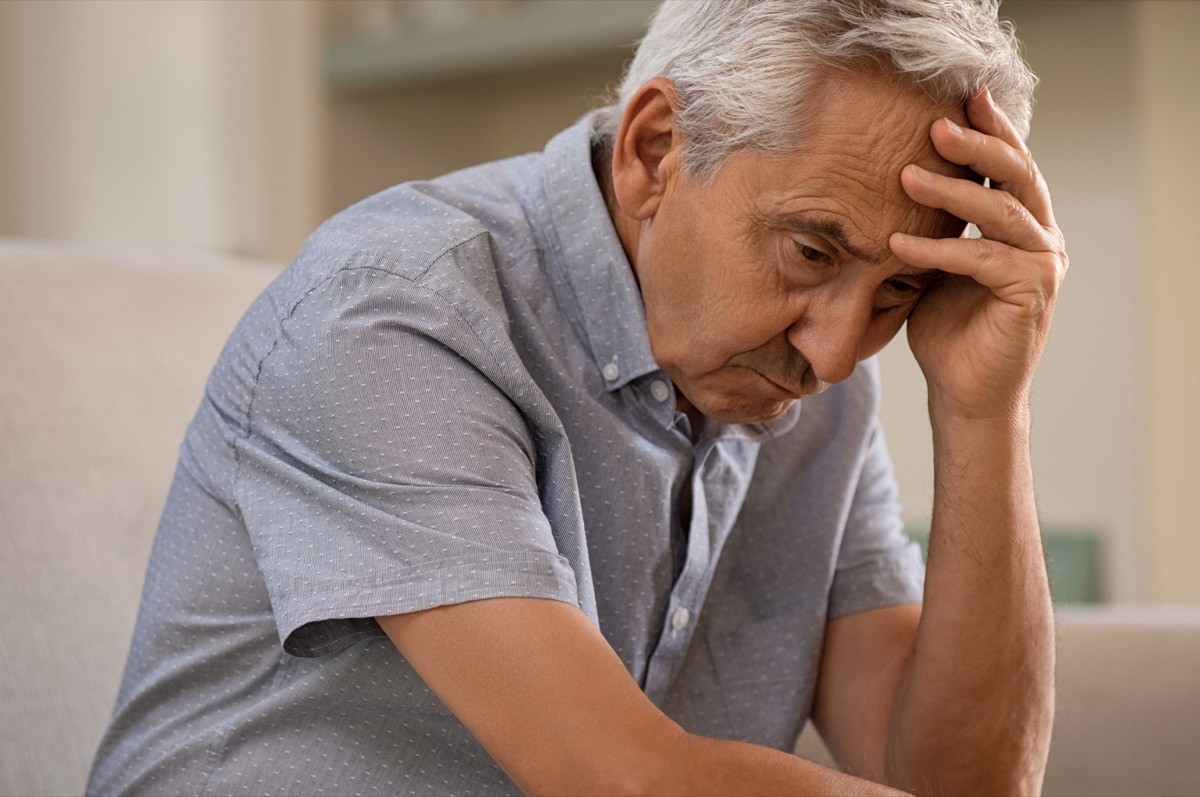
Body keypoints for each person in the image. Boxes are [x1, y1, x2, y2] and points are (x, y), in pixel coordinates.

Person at [88, 1, 1066, 794]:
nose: (840, 350)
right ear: (654, 148)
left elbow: (954, 781)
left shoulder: (814, 385)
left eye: (897, 291)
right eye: (811, 251)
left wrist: (987, 410)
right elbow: (621, 781)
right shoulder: (398, 309)